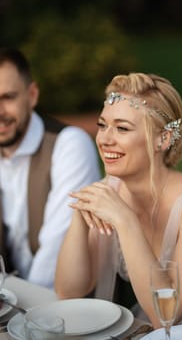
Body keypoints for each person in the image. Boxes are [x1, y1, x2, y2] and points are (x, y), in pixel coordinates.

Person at [55, 72, 182, 335]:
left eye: (122, 128)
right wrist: (79, 219)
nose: (104, 139)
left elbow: (167, 317)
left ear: (162, 139)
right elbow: (68, 292)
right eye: (102, 125)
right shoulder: (110, 191)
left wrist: (126, 221)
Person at [0, 47, 101, 289]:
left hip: (65, 308)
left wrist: (18, 316)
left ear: (32, 95)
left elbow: (55, 251)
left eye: (8, 97)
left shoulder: (69, 144)